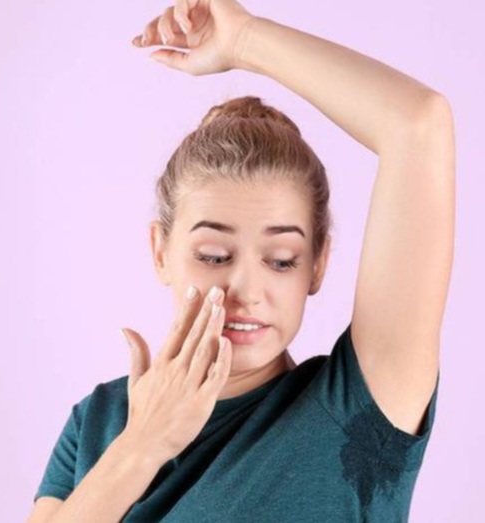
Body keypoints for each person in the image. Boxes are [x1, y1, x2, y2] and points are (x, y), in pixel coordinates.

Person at [28, 0, 455, 521]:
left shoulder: (359, 412)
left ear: (318, 264)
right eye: (214, 255)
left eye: (282, 260)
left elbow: (418, 124)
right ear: (161, 252)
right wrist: (141, 446)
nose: (246, 290)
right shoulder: (98, 421)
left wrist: (245, 40)